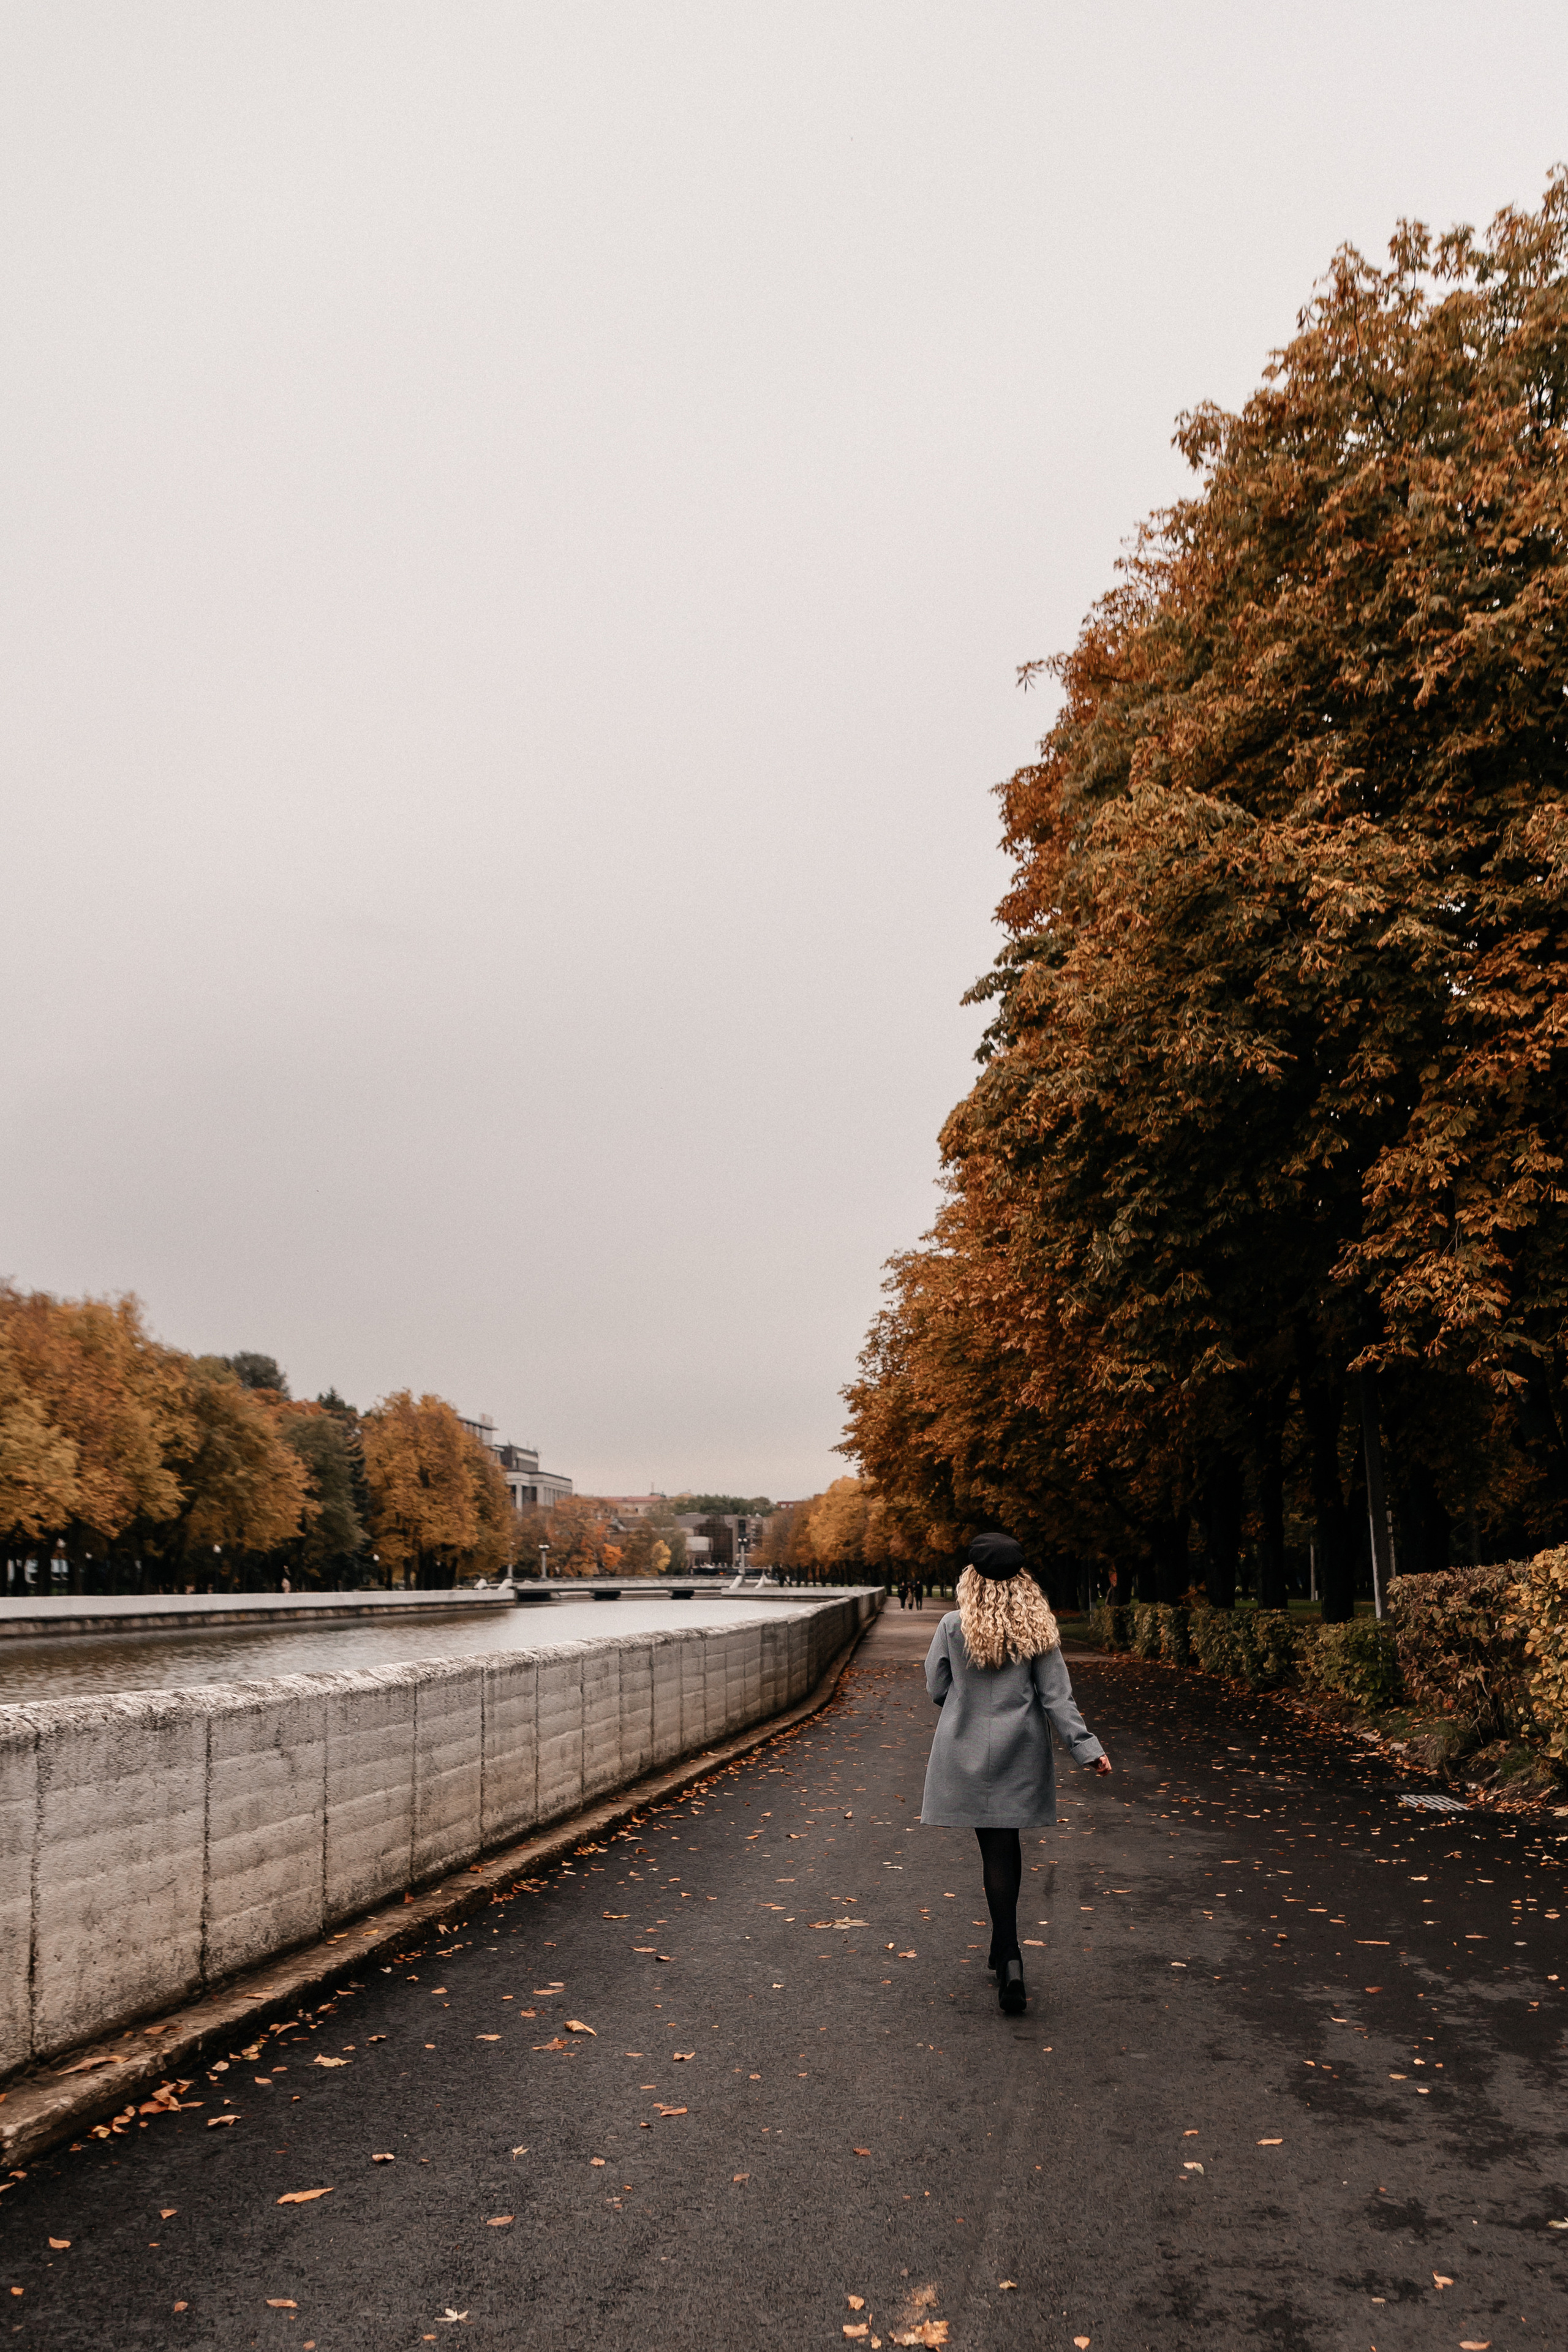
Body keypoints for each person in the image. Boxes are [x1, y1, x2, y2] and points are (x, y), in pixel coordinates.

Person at [921, 1531, 1110, 2015]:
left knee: (994, 1849)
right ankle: (1004, 1952)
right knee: (1007, 1847)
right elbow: (1057, 1698)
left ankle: (1007, 1953)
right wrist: (1086, 1749)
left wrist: (965, 1707)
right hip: (1019, 1750)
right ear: (1021, 1580)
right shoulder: (1037, 1628)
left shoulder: (951, 1625)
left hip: (964, 1752)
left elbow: (937, 1686)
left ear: (972, 1579)